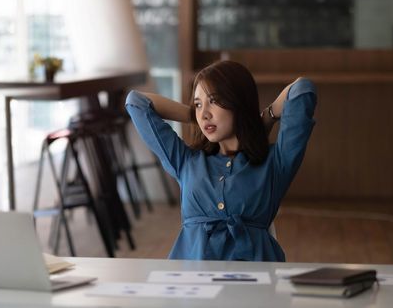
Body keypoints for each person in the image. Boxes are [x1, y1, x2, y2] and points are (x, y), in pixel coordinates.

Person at [125, 60, 317, 261]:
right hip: (191, 284)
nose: (205, 113)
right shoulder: (186, 161)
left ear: (238, 103)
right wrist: (194, 115)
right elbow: (136, 102)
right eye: (199, 103)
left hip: (254, 284)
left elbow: (302, 90)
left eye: (214, 101)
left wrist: (264, 118)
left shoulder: (275, 163)